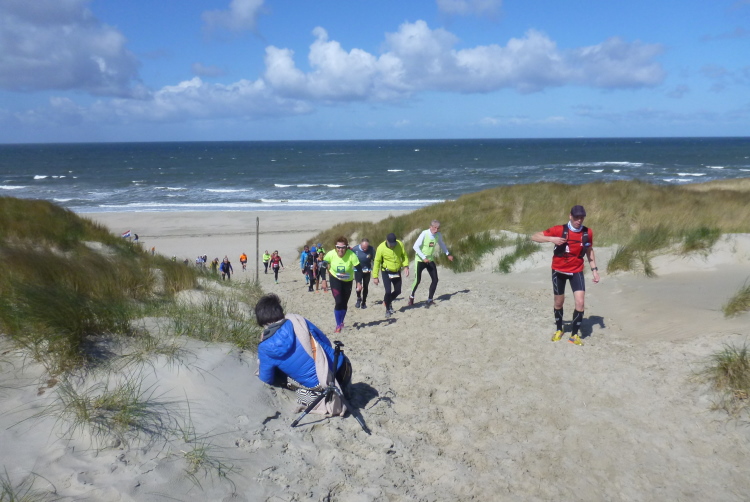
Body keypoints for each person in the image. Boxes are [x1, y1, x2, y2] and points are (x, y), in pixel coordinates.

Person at [255, 294, 352, 407]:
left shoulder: (264, 347)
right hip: (342, 367)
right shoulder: (297, 320)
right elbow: (325, 340)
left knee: (280, 375)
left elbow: (266, 379)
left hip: (321, 385)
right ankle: (345, 389)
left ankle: (323, 397)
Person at [531, 205, 601, 346]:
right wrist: (552, 239)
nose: (579, 220)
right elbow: (534, 236)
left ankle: (574, 335)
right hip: (559, 271)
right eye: (576, 217)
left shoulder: (587, 232)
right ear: (570, 216)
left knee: (580, 302)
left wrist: (594, 270)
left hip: (576, 271)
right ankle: (559, 329)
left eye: (582, 218)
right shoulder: (559, 230)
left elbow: (589, 250)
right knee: (558, 302)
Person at [408, 220, 453, 308]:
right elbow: (415, 246)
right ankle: (411, 296)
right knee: (417, 280)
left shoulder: (438, 235)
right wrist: (423, 257)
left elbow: (442, 244)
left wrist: (448, 254)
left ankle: (430, 299)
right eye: (434, 228)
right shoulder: (424, 233)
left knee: (435, 279)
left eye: (438, 228)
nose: (436, 230)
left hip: (430, 259)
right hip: (420, 260)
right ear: (430, 227)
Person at [323, 236, 359, 333]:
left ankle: (341, 321)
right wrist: (324, 280)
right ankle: (338, 324)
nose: (340, 249)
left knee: (344, 302)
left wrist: (359, 282)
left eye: (343, 247)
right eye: (338, 247)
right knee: (338, 301)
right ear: (335, 247)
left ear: (346, 247)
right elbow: (323, 266)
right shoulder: (330, 254)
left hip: (348, 281)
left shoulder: (351, 255)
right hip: (335, 279)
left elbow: (358, 268)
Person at [373, 233, 410, 318]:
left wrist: (406, 266)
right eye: (391, 244)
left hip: (397, 271)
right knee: (388, 291)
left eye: (394, 244)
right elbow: (377, 262)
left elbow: (404, 255)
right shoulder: (381, 248)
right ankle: (387, 309)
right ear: (387, 241)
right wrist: (375, 276)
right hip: (386, 272)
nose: (392, 246)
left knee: (398, 291)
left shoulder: (399, 244)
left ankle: (387, 301)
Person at [351, 238, 374, 309]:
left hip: (367, 270)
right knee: (358, 286)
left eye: (366, 248)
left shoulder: (371, 249)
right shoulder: (355, 249)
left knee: (365, 286)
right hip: (358, 270)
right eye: (363, 248)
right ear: (360, 244)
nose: (365, 249)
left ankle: (364, 302)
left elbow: (375, 259)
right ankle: (358, 298)